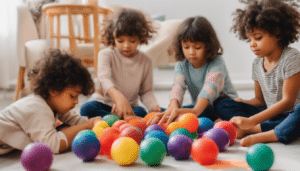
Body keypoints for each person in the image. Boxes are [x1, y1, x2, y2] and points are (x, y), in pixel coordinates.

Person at [216, 0, 300, 147]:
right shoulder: (257, 64)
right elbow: (260, 100)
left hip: (290, 113)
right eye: (249, 39)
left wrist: (251, 121)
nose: (252, 44)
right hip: (269, 113)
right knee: (222, 104)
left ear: (277, 34)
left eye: (258, 38)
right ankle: (259, 126)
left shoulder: (291, 57)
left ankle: (257, 133)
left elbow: (288, 102)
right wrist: (243, 102)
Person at [0, 49, 101, 155]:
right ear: (54, 90)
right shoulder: (37, 107)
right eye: (72, 96)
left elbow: (75, 120)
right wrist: (86, 126)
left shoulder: (54, 103)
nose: (76, 102)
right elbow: (52, 145)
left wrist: (95, 124)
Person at [147, 16, 238, 126]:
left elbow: (210, 87)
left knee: (221, 106)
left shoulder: (217, 62)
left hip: (226, 106)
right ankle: (212, 121)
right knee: (177, 111)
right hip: (203, 108)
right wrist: (174, 106)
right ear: (180, 46)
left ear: (207, 46)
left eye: (197, 47)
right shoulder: (181, 64)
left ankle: (222, 120)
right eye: (186, 47)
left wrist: (195, 111)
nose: (191, 52)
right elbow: (178, 86)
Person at [80, 8, 161, 120]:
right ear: (113, 37)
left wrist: (154, 107)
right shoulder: (106, 54)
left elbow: (146, 92)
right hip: (106, 106)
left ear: (140, 37)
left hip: (130, 109)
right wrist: (118, 98)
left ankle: (113, 121)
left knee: (141, 112)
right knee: (86, 108)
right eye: (120, 41)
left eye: (132, 41)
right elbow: (103, 79)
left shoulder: (145, 61)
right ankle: (121, 121)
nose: (126, 46)